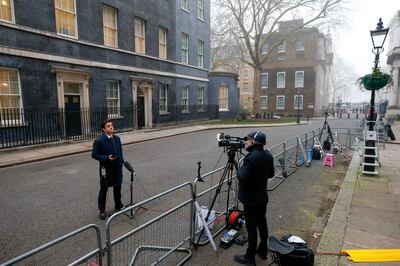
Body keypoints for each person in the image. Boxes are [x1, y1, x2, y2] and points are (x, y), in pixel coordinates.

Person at [233, 131, 275, 265]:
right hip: (262, 197)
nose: (245, 141)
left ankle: (249, 257)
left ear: (253, 142)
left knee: (251, 227)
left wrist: (238, 168)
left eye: (247, 139)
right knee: (262, 223)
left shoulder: (251, 158)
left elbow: (243, 177)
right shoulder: (268, 155)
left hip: (250, 200)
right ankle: (263, 250)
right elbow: (271, 174)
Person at [92, 119, 124, 220]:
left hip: (117, 167)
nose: (111, 127)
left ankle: (118, 205)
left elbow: (120, 151)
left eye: (111, 125)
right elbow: (94, 154)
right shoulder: (99, 141)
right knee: (104, 189)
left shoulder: (117, 139)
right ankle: (102, 210)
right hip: (106, 169)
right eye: (108, 126)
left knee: (117, 187)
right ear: (103, 129)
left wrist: (121, 162)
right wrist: (106, 158)